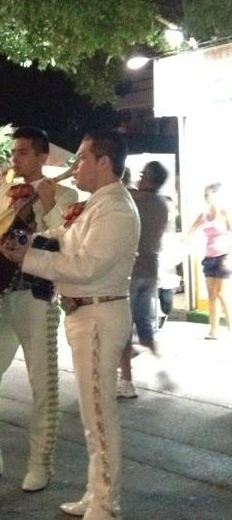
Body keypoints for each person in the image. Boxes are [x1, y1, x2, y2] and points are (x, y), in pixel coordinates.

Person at [0, 130, 140, 518]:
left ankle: (106, 505)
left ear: (104, 162)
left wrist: (27, 259)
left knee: (99, 413)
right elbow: (62, 237)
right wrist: (25, 241)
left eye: (80, 158)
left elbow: (87, 267)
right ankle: (96, 494)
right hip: (85, 313)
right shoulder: (97, 205)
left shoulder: (115, 210)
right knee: (92, 414)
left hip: (98, 313)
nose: (74, 166)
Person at [0, 126, 78, 493]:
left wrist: (46, 203)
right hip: (3, 293)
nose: (15, 158)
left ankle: (41, 462)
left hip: (38, 295)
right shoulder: (4, 191)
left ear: (44, 157)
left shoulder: (65, 191)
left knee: (42, 383)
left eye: (24, 152)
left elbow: (63, 236)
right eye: (14, 152)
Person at [117, 161, 169, 399]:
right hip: (150, 271)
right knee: (144, 323)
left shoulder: (136, 200)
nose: (139, 177)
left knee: (123, 327)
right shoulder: (163, 203)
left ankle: (126, 379)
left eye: (143, 174)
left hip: (132, 270)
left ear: (150, 178)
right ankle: (161, 367)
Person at [186, 183, 232, 339]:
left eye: (209, 194)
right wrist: (183, 241)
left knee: (221, 294)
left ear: (217, 195)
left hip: (224, 256)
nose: (206, 197)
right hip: (209, 257)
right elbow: (190, 232)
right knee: (211, 294)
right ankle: (213, 330)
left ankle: (230, 325)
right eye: (205, 194)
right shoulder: (204, 215)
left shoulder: (225, 213)